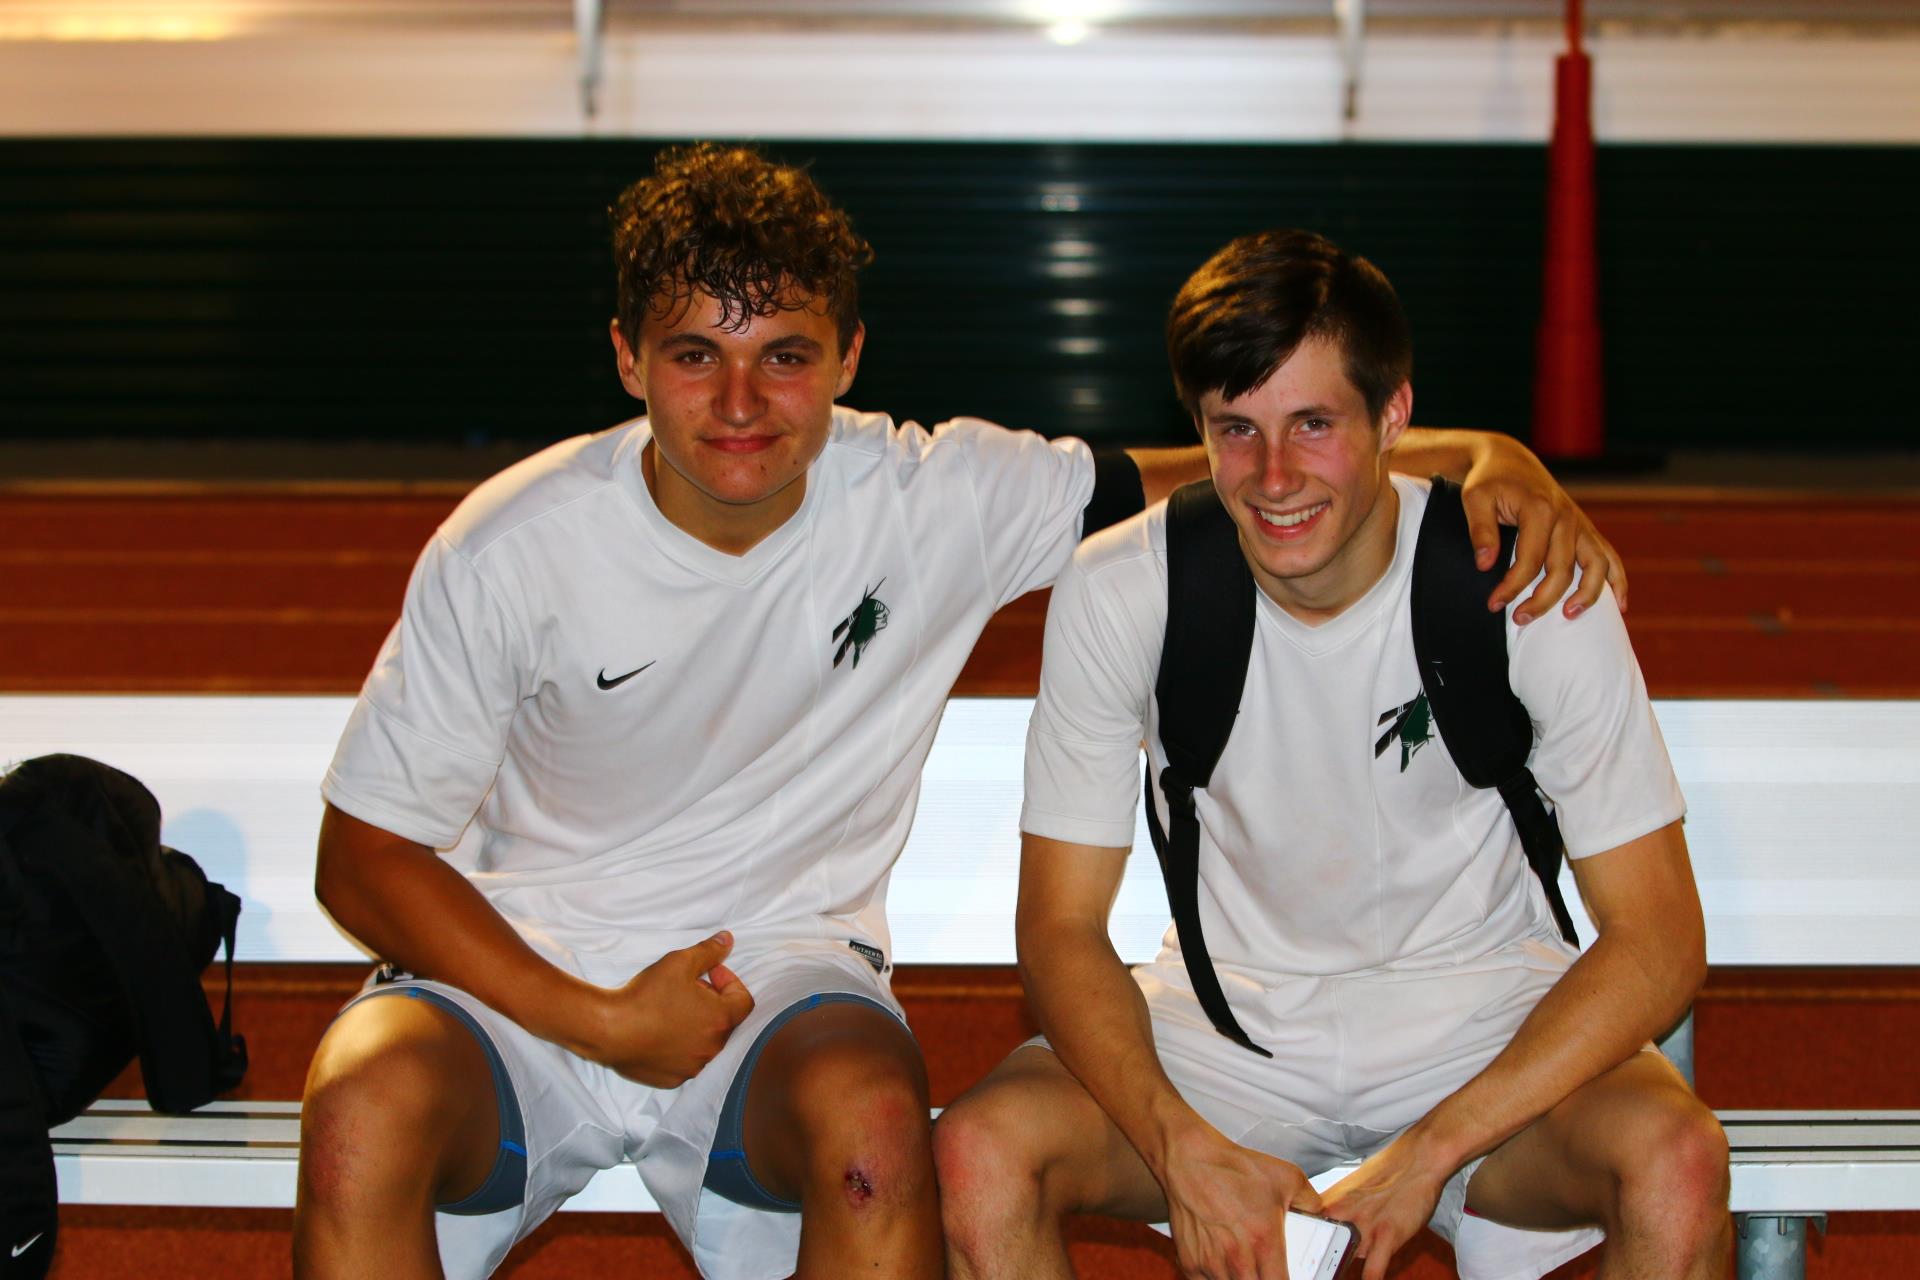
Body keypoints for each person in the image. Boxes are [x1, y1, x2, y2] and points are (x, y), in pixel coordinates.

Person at [291, 148, 1623, 1280]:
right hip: (529, 980)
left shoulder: (936, 496)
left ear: (850, 357)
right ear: (628, 358)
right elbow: (363, 856)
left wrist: (1488, 455)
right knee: (360, 1104)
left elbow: (1233, 465)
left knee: (882, 1128)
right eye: (696, 354)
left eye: (787, 355)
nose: (743, 402)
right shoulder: (513, 545)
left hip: (782, 982)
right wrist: (592, 1016)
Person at [934, 228, 1728, 1280]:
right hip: (1231, 1031)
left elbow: (1661, 937)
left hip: (1484, 1020)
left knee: (1674, 1158)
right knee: (983, 1152)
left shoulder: (1521, 581)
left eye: (1314, 424)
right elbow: (1060, 925)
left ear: (1394, 413)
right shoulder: (1124, 587)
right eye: (1236, 428)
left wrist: (1430, 1152)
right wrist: (1178, 1140)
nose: (1272, 476)